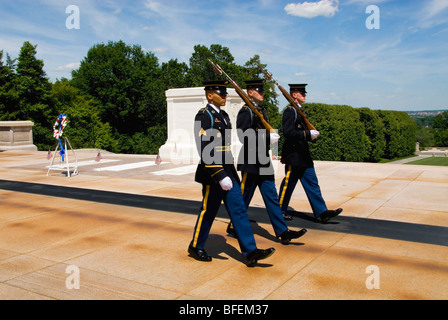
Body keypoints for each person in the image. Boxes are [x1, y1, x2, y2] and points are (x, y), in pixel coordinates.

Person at [188, 80, 275, 267]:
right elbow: (205, 149)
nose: (225, 96)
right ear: (210, 95)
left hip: (228, 171)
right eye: (222, 93)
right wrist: (220, 175)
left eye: (226, 93)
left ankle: (250, 252)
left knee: (239, 210)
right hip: (213, 173)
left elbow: (224, 147)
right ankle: (196, 246)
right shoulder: (204, 116)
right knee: (209, 211)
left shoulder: (225, 116)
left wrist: (228, 172)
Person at [226, 79, 307, 244]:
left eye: (263, 91)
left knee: (271, 197)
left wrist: (273, 150)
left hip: (263, 160)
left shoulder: (260, 110)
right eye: (259, 91)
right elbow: (244, 136)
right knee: (243, 197)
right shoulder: (245, 111)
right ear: (250, 92)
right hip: (250, 160)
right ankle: (234, 226)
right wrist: (266, 137)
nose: (263, 93)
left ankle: (282, 232)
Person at [278, 83, 342, 223]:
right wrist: (307, 134)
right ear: (294, 95)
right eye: (302, 93)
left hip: (303, 155)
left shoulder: (299, 110)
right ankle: (279, 211)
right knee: (288, 184)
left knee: (312, 183)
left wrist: (310, 135)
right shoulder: (290, 111)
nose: (305, 95)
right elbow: (288, 132)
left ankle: (322, 212)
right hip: (294, 155)